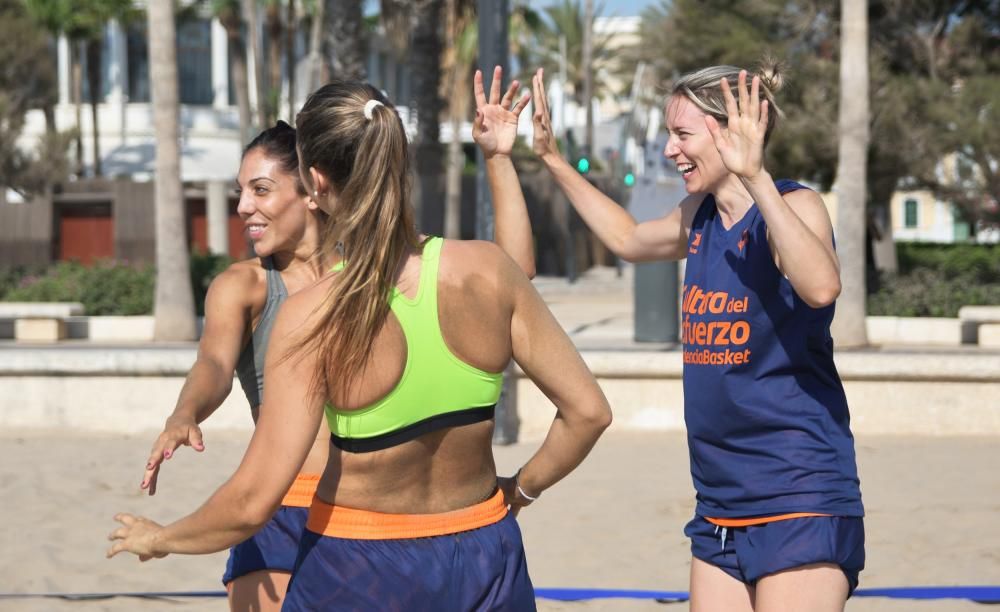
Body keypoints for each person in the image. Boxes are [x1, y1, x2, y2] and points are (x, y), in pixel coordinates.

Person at [109, 69, 612, 611]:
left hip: (361, 562)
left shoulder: (312, 316)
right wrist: (521, 490)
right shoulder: (487, 271)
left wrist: (159, 539)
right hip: (486, 551)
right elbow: (588, 413)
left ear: (315, 184)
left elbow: (253, 502)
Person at [529, 64, 864, 611]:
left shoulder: (793, 205)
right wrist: (552, 159)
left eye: (682, 134)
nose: (668, 150)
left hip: (798, 495)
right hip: (719, 504)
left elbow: (822, 285)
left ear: (731, 133)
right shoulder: (700, 217)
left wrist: (754, 177)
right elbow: (629, 238)